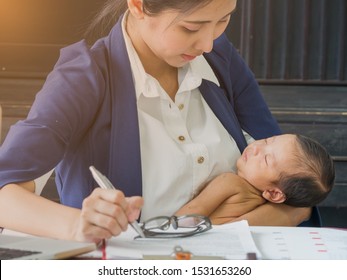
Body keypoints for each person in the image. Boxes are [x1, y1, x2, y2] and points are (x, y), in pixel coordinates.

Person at [0, 0, 312, 243]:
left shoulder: (220, 59)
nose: (207, 43)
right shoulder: (83, 78)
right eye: (192, 27)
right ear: (137, 5)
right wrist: (75, 224)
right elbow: (4, 190)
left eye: (223, 20)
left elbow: (296, 188)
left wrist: (225, 233)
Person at [175, 134, 335, 224]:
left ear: (274, 193)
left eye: (266, 159)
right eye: (267, 140)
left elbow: (188, 215)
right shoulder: (269, 208)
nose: (257, 147)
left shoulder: (229, 182)